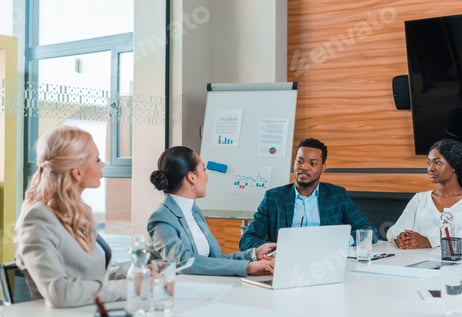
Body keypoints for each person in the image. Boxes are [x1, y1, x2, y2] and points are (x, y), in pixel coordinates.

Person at [15, 125, 126, 308]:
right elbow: (59, 292)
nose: (102, 164)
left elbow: (88, 277)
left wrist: (136, 271)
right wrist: (126, 288)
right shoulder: (38, 219)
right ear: (77, 172)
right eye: (97, 159)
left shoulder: (79, 212)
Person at [147, 146, 276, 277]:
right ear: (192, 177)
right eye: (204, 169)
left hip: (206, 287)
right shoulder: (162, 218)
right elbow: (183, 263)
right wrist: (247, 267)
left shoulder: (194, 211)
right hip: (181, 292)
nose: (206, 176)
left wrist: (253, 255)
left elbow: (215, 261)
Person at [239, 138, 379, 251]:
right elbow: (247, 240)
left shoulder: (337, 196)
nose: (304, 167)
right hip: (285, 261)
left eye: (312, 163)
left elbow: (369, 231)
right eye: (299, 161)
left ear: (323, 168)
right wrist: (275, 248)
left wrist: (341, 241)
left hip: (324, 262)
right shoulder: (273, 198)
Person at [386, 138, 462, 249]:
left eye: (437, 162)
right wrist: (400, 236)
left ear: (454, 165)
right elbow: (394, 230)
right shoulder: (420, 198)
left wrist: (428, 241)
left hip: (456, 264)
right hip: (414, 263)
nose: (431, 168)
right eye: (429, 163)